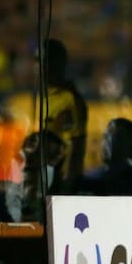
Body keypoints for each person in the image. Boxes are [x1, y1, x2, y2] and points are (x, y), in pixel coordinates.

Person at [36, 38, 88, 192]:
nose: (43, 66)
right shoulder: (36, 96)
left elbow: (76, 144)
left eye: (48, 60)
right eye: (40, 60)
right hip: (38, 177)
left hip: (57, 182)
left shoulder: (69, 98)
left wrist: (68, 186)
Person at [78, 118, 132, 196]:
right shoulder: (89, 180)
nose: (106, 142)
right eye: (105, 136)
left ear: (130, 142)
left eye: (117, 137)